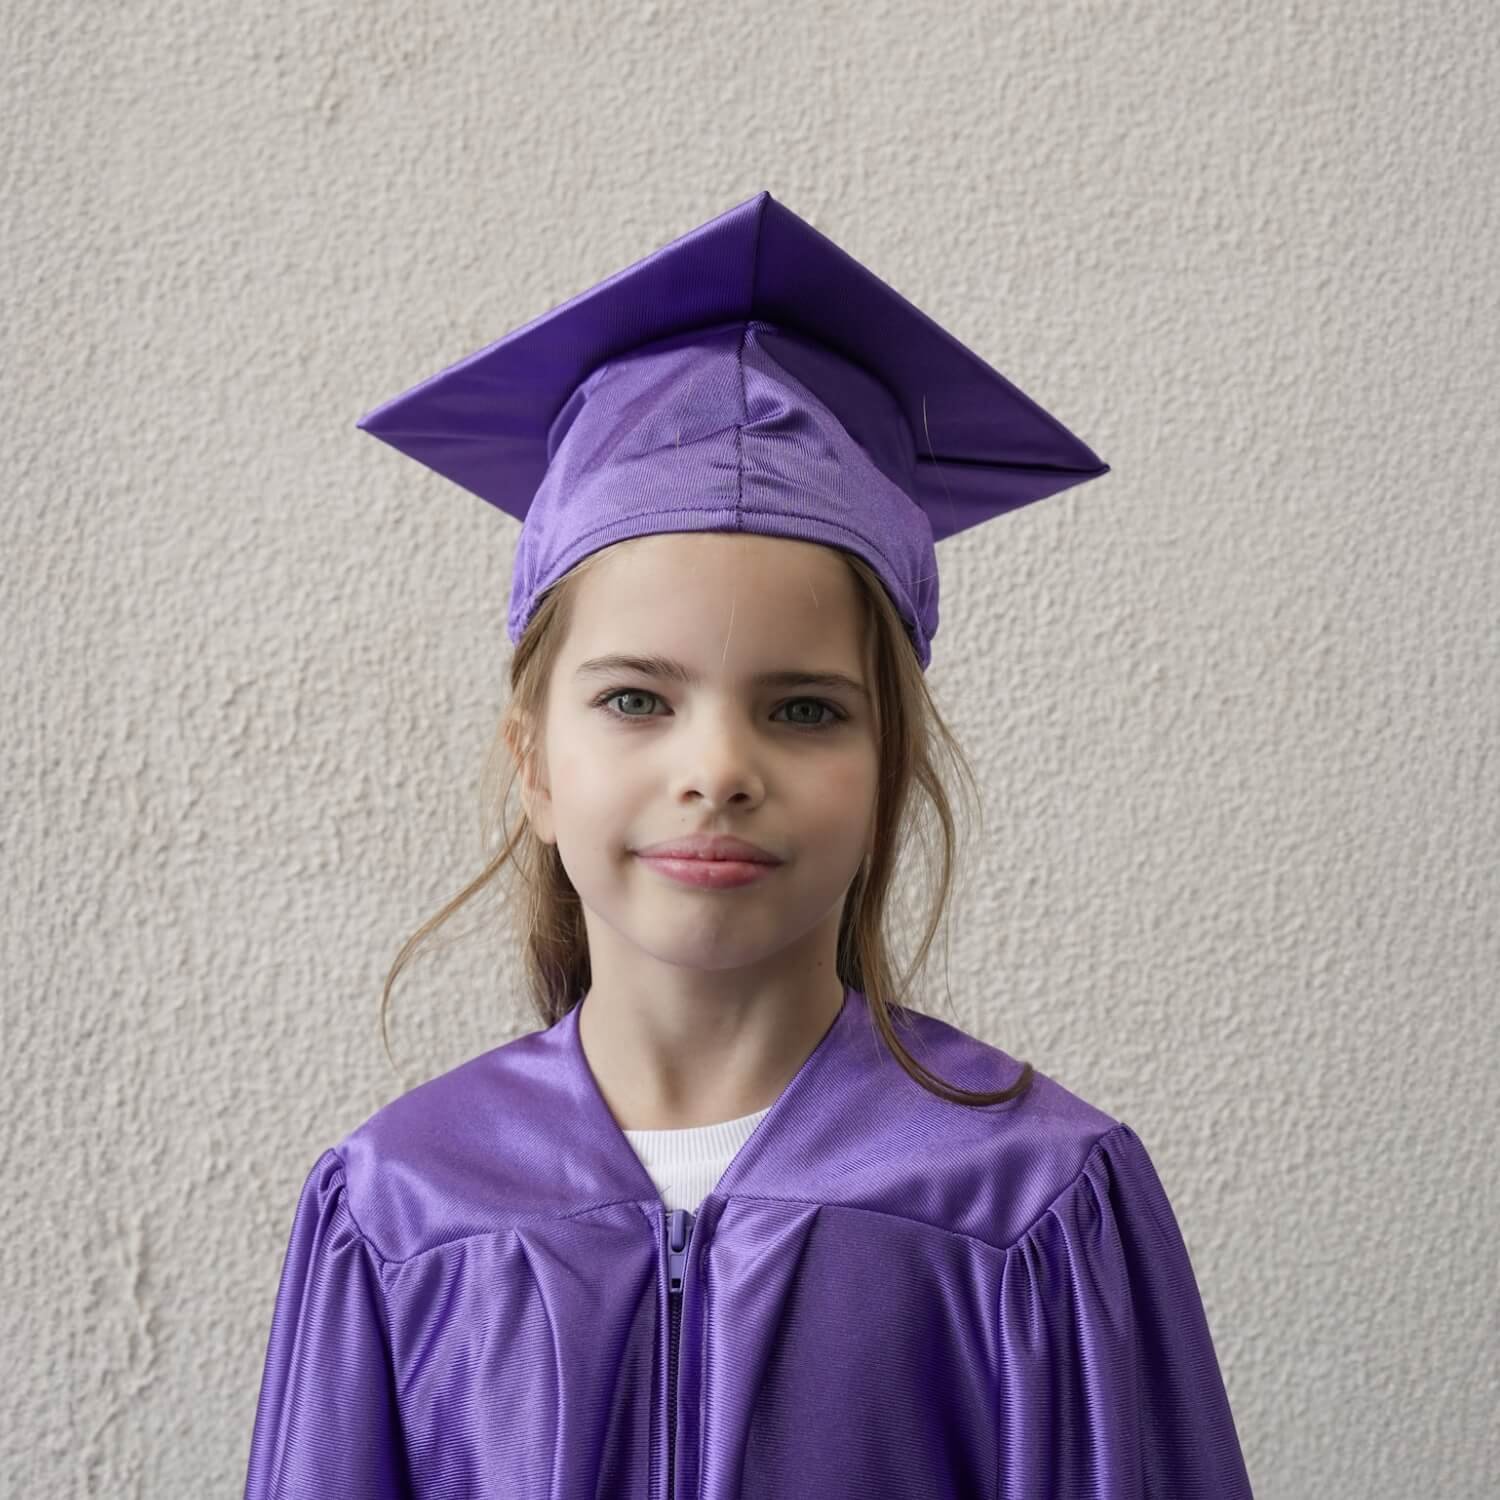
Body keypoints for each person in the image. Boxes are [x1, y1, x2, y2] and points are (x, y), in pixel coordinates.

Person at [243, 189, 1253, 1498]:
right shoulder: (400, 1209)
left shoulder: (1034, 1203)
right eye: (635, 700)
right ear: (533, 765)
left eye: (804, 709)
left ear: (889, 771)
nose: (718, 770)